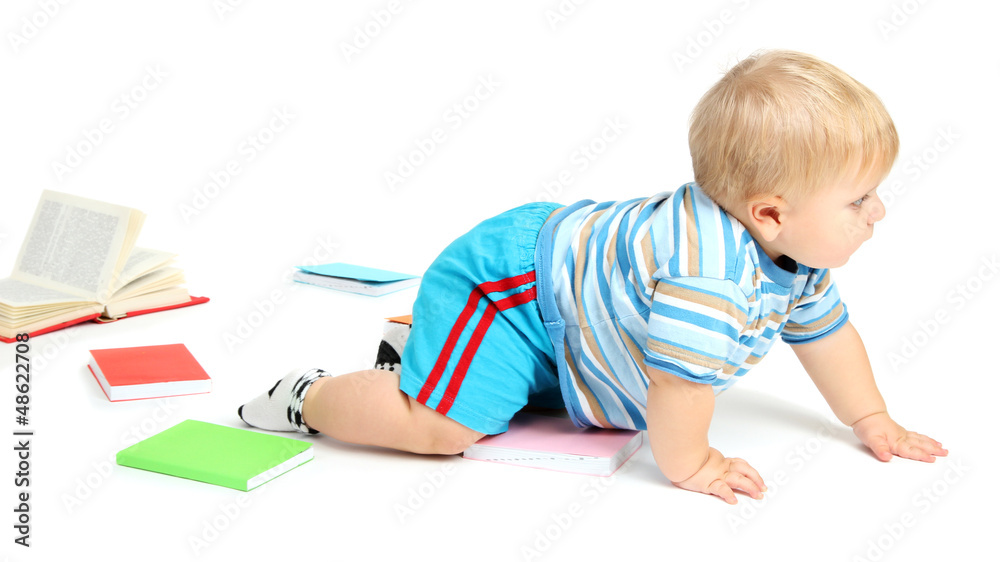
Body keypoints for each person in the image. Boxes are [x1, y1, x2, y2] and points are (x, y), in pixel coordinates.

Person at [238, 49, 947, 504]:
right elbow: (676, 385)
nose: (879, 211)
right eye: (859, 199)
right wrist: (691, 464)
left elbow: (829, 336)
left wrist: (871, 419)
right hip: (508, 287)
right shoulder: (712, 278)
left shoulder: (796, 254)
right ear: (769, 212)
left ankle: (428, 357)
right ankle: (312, 397)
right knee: (445, 431)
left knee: (536, 401)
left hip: (574, 307)